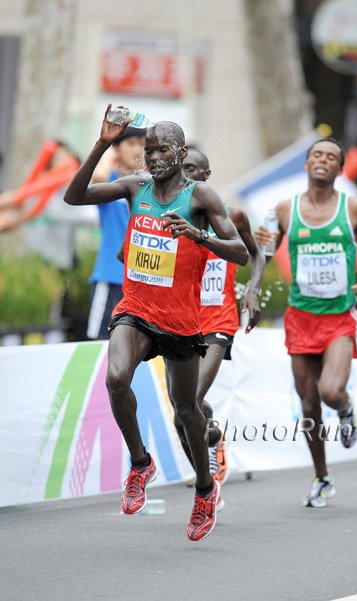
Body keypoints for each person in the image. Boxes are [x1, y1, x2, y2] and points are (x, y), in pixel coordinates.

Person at [64, 105, 249, 541]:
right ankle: (140, 463)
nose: (153, 156)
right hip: (136, 311)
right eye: (149, 149)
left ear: (181, 153)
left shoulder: (202, 198)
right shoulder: (134, 188)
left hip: (182, 322)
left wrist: (198, 235)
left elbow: (240, 251)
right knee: (115, 378)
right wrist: (104, 142)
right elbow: (74, 196)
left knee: (186, 411)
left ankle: (205, 491)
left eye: (162, 148)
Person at [254, 137, 357, 508]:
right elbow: (263, 254)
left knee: (331, 393)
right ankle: (322, 477)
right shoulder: (285, 210)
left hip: (338, 319)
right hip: (300, 318)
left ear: (338, 169)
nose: (323, 160)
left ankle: (347, 409)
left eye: (331, 157)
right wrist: (252, 290)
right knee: (308, 406)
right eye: (317, 154)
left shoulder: (354, 209)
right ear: (306, 164)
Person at [173, 148, 264, 507]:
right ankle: (211, 435)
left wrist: (252, 292)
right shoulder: (169, 214)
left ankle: (207, 488)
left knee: (191, 399)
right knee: (184, 410)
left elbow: (254, 254)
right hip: (181, 322)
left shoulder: (232, 214)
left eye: (195, 170)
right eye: (184, 170)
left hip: (219, 321)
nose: (189, 176)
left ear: (208, 175)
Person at [87, 126, 146, 339]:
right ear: (117, 149)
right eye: (131, 144)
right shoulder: (111, 180)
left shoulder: (146, 186)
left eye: (142, 145)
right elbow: (97, 178)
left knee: (134, 345)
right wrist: (110, 147)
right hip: (110, 277)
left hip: (140, 280)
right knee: (99, 342)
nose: (138, 151)